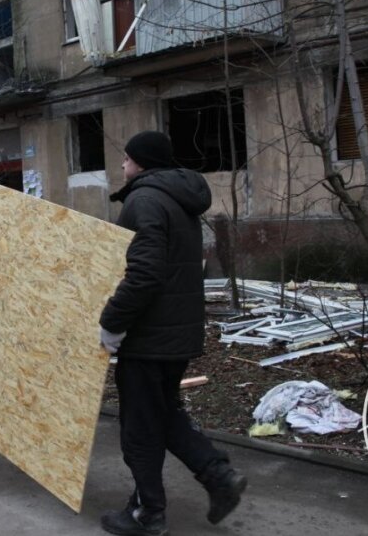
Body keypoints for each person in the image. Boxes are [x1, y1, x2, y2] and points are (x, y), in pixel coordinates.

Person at [99, 131, 247, 536]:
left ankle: (148, 514)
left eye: (127, 160)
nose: (123, 167)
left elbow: (144, 274)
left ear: (142, 162)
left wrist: (112, 321)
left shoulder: (143, 200)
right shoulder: (179, 200)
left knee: (141, 427)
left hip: (148, 338)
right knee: (164, 414)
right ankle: (218, 476)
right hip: (176, 334)